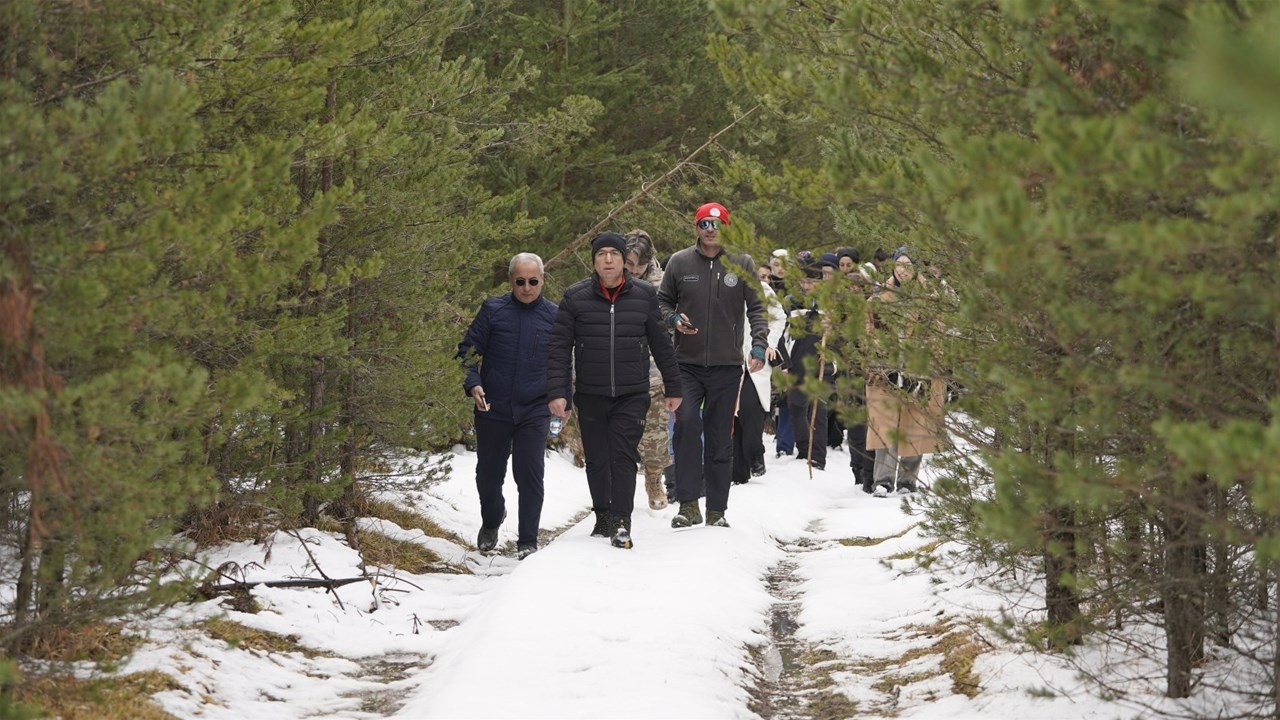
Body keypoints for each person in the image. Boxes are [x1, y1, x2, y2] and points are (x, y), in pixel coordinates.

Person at [547, 232, 683, 549]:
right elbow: (558, 349)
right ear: (594, 261)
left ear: (624, 260)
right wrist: (558, 393)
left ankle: (622, 523)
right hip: (591, 393)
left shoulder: (645, 295)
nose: (608, 259)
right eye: (602, 254)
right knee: (597, 459)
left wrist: (673, 385)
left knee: (622, 457)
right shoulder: (575, 297)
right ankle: (603, 515)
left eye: (614, 253)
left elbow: (661, 344)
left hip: (632, 392)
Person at [658, 202, 768, 529]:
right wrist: (674, 319)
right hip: (686, 365)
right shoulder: (679, 262)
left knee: (720, 437)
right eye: (704, 223)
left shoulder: (742, 263)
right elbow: (662, 302)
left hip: (726, 365)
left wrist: (759, 344)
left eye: (717, 224)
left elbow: (758, 309)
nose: (710, 229)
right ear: (696, 227)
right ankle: (688, 505)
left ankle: (717, 510)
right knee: (687, 425)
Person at [456, 253, 558, 560]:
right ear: (511, 281)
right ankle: (492, 518)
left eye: (533, 281)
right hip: (493, 406)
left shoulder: (555, 316)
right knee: (488, 475)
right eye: (520, 282)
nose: (527, 288)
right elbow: (468, 353)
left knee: (529, 474)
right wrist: (473, 383)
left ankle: (527, 539)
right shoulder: (493, 310)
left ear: (542, 280)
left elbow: (563, 362)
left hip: (535, 407)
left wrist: (562, 398)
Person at [865, 247, 946, 497]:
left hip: (918, 368)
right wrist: (881, 360)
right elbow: (869, 331)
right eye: (898, 264)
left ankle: (908, 480)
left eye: (907, 264)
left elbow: (937, 335)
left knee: (916, 423)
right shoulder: (879, 297)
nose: (902, 269)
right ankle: (883, 479)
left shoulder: (929, 299)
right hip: (885, 369)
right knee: (885, 423)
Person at [624, 229, 673, 511]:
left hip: (653, 366)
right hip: (616, 363)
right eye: (628, 264)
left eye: (638, 265)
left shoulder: (663, 283)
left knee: (654, 429)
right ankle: (617, 486)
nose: (633, 270)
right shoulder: (611, 277)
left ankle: (654, 478)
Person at [732, 264, 786, 483]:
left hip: (755, 360)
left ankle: (756, 452)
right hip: (728, 359)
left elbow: (779, 317)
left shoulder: (763, 289)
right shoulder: (722, 287)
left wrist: (768, 343)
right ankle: (739, 473)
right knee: (732, 418)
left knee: (750, 410)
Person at [782, 260, 835, 471]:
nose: (807, 285)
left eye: (811, 280)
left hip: (822, 362)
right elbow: (784, 334)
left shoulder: (830, 302)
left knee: (818, 409)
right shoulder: (792, 302)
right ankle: (804, 448)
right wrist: (785, 362)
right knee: (795, 406)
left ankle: (818, 457)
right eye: (804, 281)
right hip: (797, 360)